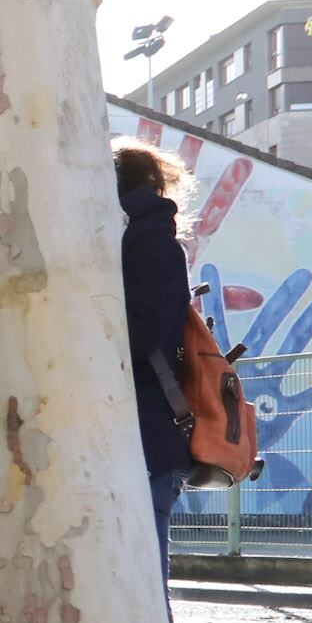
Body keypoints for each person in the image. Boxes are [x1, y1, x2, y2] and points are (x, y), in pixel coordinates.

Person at [115, 139, 197, 571]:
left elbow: (142, 330)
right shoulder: (145, 239)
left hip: (144, 435)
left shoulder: (145, 241)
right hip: (141, 437)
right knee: (137, 588)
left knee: (140, 586)